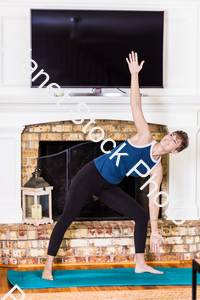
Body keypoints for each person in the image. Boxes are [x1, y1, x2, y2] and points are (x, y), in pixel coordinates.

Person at [42, 51, 189, 280]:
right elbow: (135, 103)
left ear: (175, 151)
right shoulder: (145, 137)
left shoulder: (156, 168)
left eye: (174, 141)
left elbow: (153, 200)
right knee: (67, 218)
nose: (168, 139)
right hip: (91, 174)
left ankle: (140, 264)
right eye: (170, 135)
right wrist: (134, 75)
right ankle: (47, 267)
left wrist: (156, 232)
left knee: (140, 216)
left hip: (109, 186)